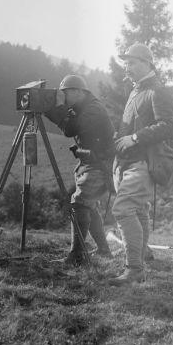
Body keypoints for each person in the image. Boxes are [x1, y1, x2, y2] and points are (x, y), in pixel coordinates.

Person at [110, 43, 173, 285]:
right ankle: (140, 256)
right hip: (127, 163)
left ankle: (134, 269)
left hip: (142, 163)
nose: (127, 66)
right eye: (126, 62)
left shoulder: (158, 90)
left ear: (147, 63)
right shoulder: (135, 90)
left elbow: (169, 125)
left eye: (132, 62)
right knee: (138, 211)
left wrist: (135, 137)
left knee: (123, 209)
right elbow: (129, 126)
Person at [44, 74, 115, 266]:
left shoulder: (93, 109)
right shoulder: (82, 107)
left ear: (77, 91)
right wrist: (46, 108)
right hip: (90, 162)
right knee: (87, 205)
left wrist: (59, 107)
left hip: (99, 164)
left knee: (80, 204)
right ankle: (103, 249)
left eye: (65, 93)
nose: (63, 97)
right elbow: (66, 124)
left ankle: (76, 256)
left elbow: (69, 129)